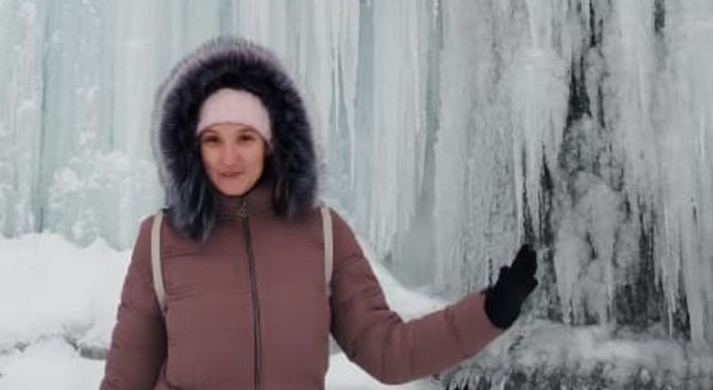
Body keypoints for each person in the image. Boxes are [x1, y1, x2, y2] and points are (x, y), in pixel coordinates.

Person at [100, 37, 538, 389]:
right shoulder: (160, 239)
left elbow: (387, 352)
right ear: (192, 148)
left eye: (246, 138)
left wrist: (490, 312)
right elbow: (126, 378)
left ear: (271, 143)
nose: (228, 157)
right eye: (212, 139)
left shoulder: (323, 234)